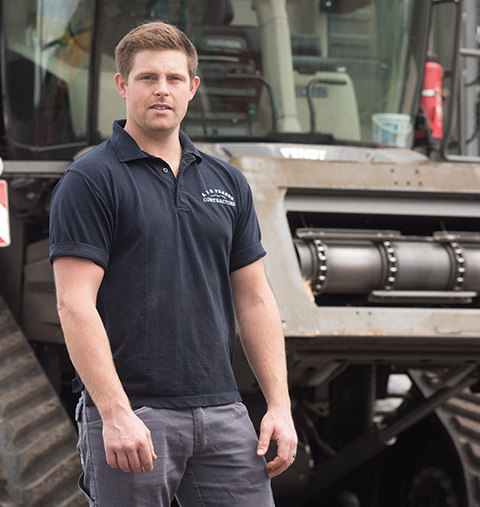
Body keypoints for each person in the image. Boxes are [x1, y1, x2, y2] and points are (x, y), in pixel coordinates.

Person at [49, 21, 296, 506]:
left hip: (223, 413)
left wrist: (279, 405)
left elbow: (255, 299)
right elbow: (75, 305)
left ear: (192, 88)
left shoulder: (228, 182)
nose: (161, 90)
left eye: (174, 79)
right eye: (147, 78)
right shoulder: (91, 179)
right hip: (135, 414)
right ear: (122, 85)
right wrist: (115, 412)